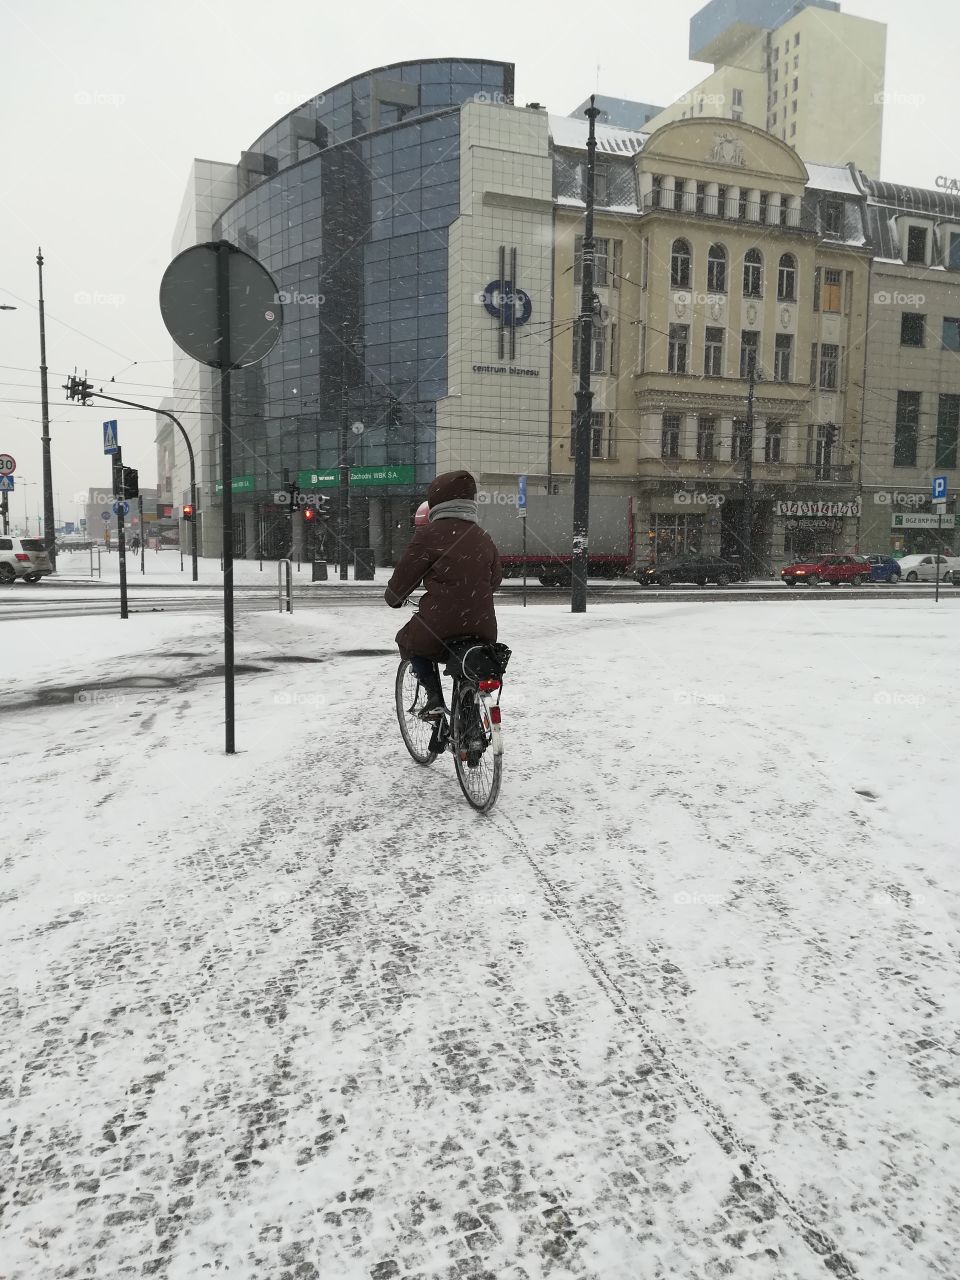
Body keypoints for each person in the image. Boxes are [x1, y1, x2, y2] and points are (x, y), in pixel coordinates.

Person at [385, 470, 501, 717]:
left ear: (436, 501)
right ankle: (470, 720)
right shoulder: (483, 537)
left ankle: (434, 698)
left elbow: (405, 578)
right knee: (470, 662)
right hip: (483, 626)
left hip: (440, 625)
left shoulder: (428, 535)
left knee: (409, 640)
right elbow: (495, 580)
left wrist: (394, 598)